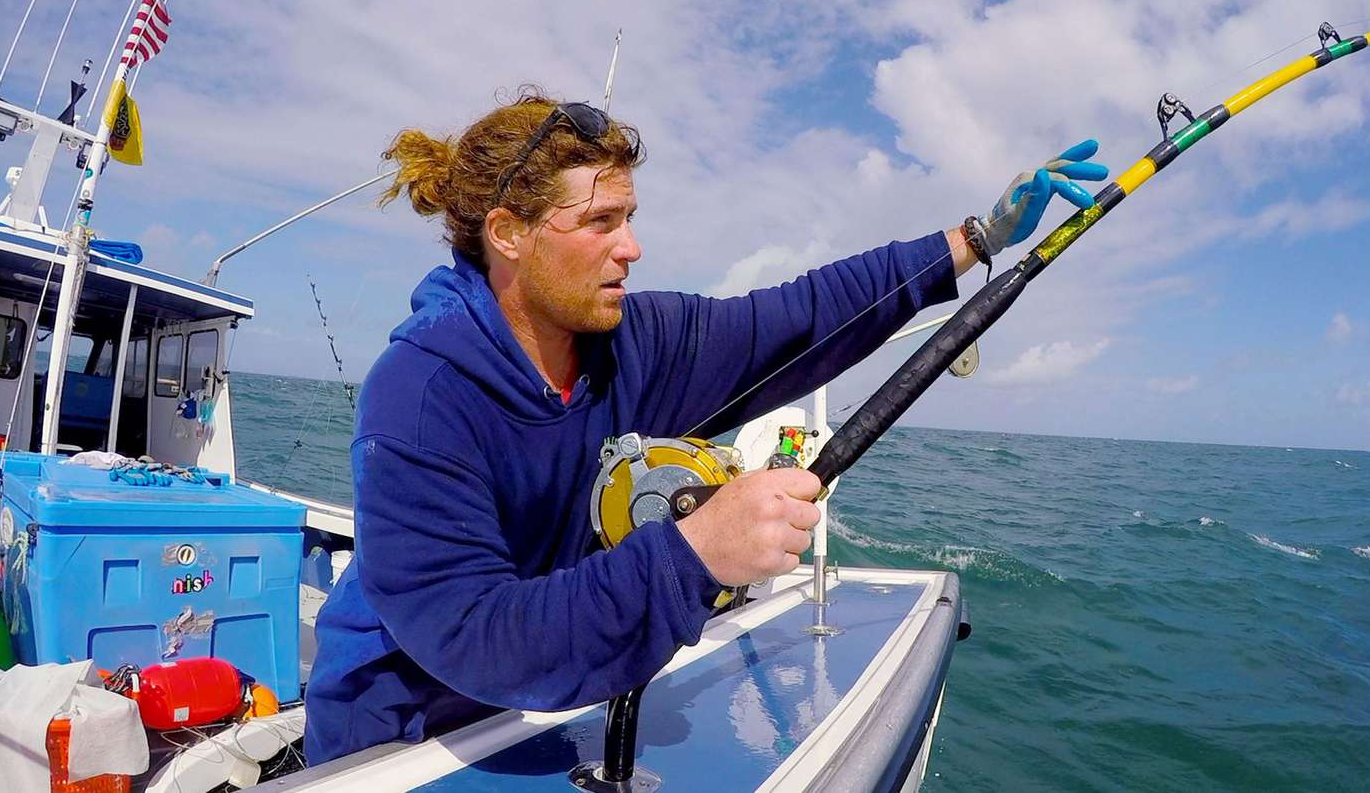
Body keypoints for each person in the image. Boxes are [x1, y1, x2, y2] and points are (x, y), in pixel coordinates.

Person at [303, 93, 1106, 764]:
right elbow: (478, 637)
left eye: (632, 217)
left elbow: (798, 318)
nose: (632, 247)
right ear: (509, 233)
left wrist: (976, 240)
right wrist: (692, 555)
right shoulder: (418, 401)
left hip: (546, 711)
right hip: (400, 738)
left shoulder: (631, 343)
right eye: (600, 222)